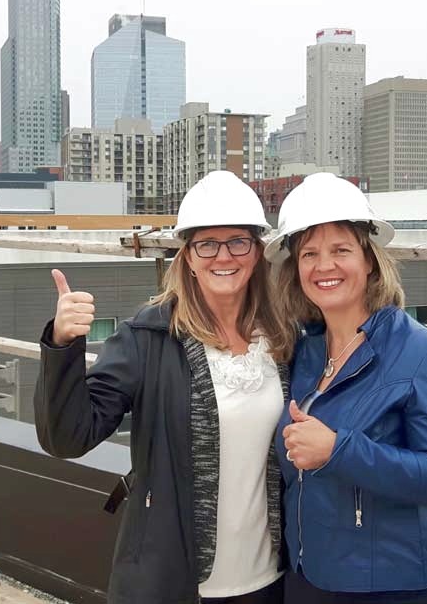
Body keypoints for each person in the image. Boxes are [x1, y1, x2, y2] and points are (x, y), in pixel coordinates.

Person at [34, 170, 295, 604]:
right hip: (174, 582)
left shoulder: (285, 337)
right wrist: (62, 344)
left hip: (269, 577)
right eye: (206, 244)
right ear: (187, 257)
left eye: (237, 241)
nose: (222, 256)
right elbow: (68, 438)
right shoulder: (146, 338)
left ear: (256, 251)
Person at [266, 172, 427, 603]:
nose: (324, 266)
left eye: (341, 250)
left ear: (370, 259)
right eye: (309, 254)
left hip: (390, 586)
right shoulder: (303, 352)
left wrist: (339, 450)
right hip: (308, 575)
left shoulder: (420, 353)